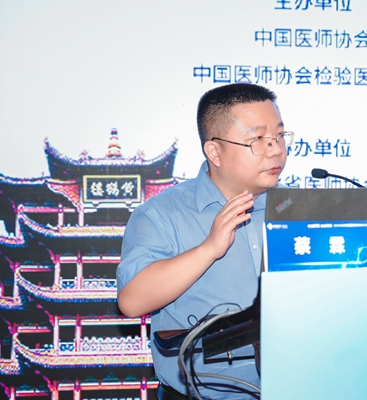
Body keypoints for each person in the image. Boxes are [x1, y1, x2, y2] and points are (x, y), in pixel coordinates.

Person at [116, 83, 292, 399]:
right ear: (214, 152)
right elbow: (132, 302)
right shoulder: (162, 214)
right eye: (258, 140)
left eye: (279, 136)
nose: (275, 149)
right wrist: (208, 249)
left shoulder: (296, 209)